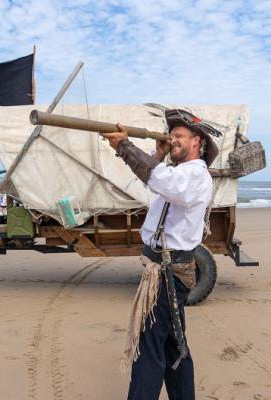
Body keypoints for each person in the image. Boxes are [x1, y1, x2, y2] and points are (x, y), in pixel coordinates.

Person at [101, 109, 219, 400]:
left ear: (197, 141)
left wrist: (124, 147)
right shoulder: (178, 173)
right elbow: (152, 179)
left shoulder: (196, 174)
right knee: (172, 343)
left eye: (179, 136)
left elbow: (162, 181)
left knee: (149, 347)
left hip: (168, 273)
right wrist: (158, 153)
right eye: (172, 135)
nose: (173, 139)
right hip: (162, 271)